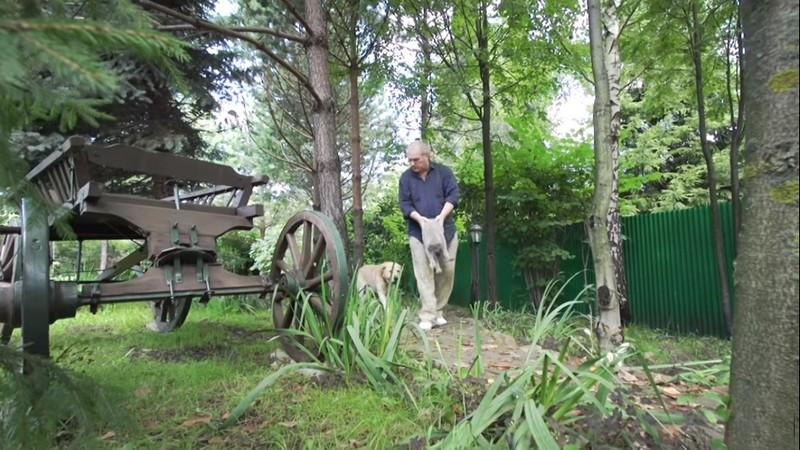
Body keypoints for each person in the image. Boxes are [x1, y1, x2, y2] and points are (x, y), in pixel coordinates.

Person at [399, 140, 460, 331]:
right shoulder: (406, 178)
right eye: (409, 160)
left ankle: (438, 311)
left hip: (446, 231)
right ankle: (427, 314)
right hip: (418, 233)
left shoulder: (444, 173)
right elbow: (405, 204)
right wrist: (422, 221)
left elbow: (453, 196)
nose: (412, 164)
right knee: (424, 274)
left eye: (415, 160)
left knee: (447, 271)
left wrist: (440, 218)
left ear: (427, 156)